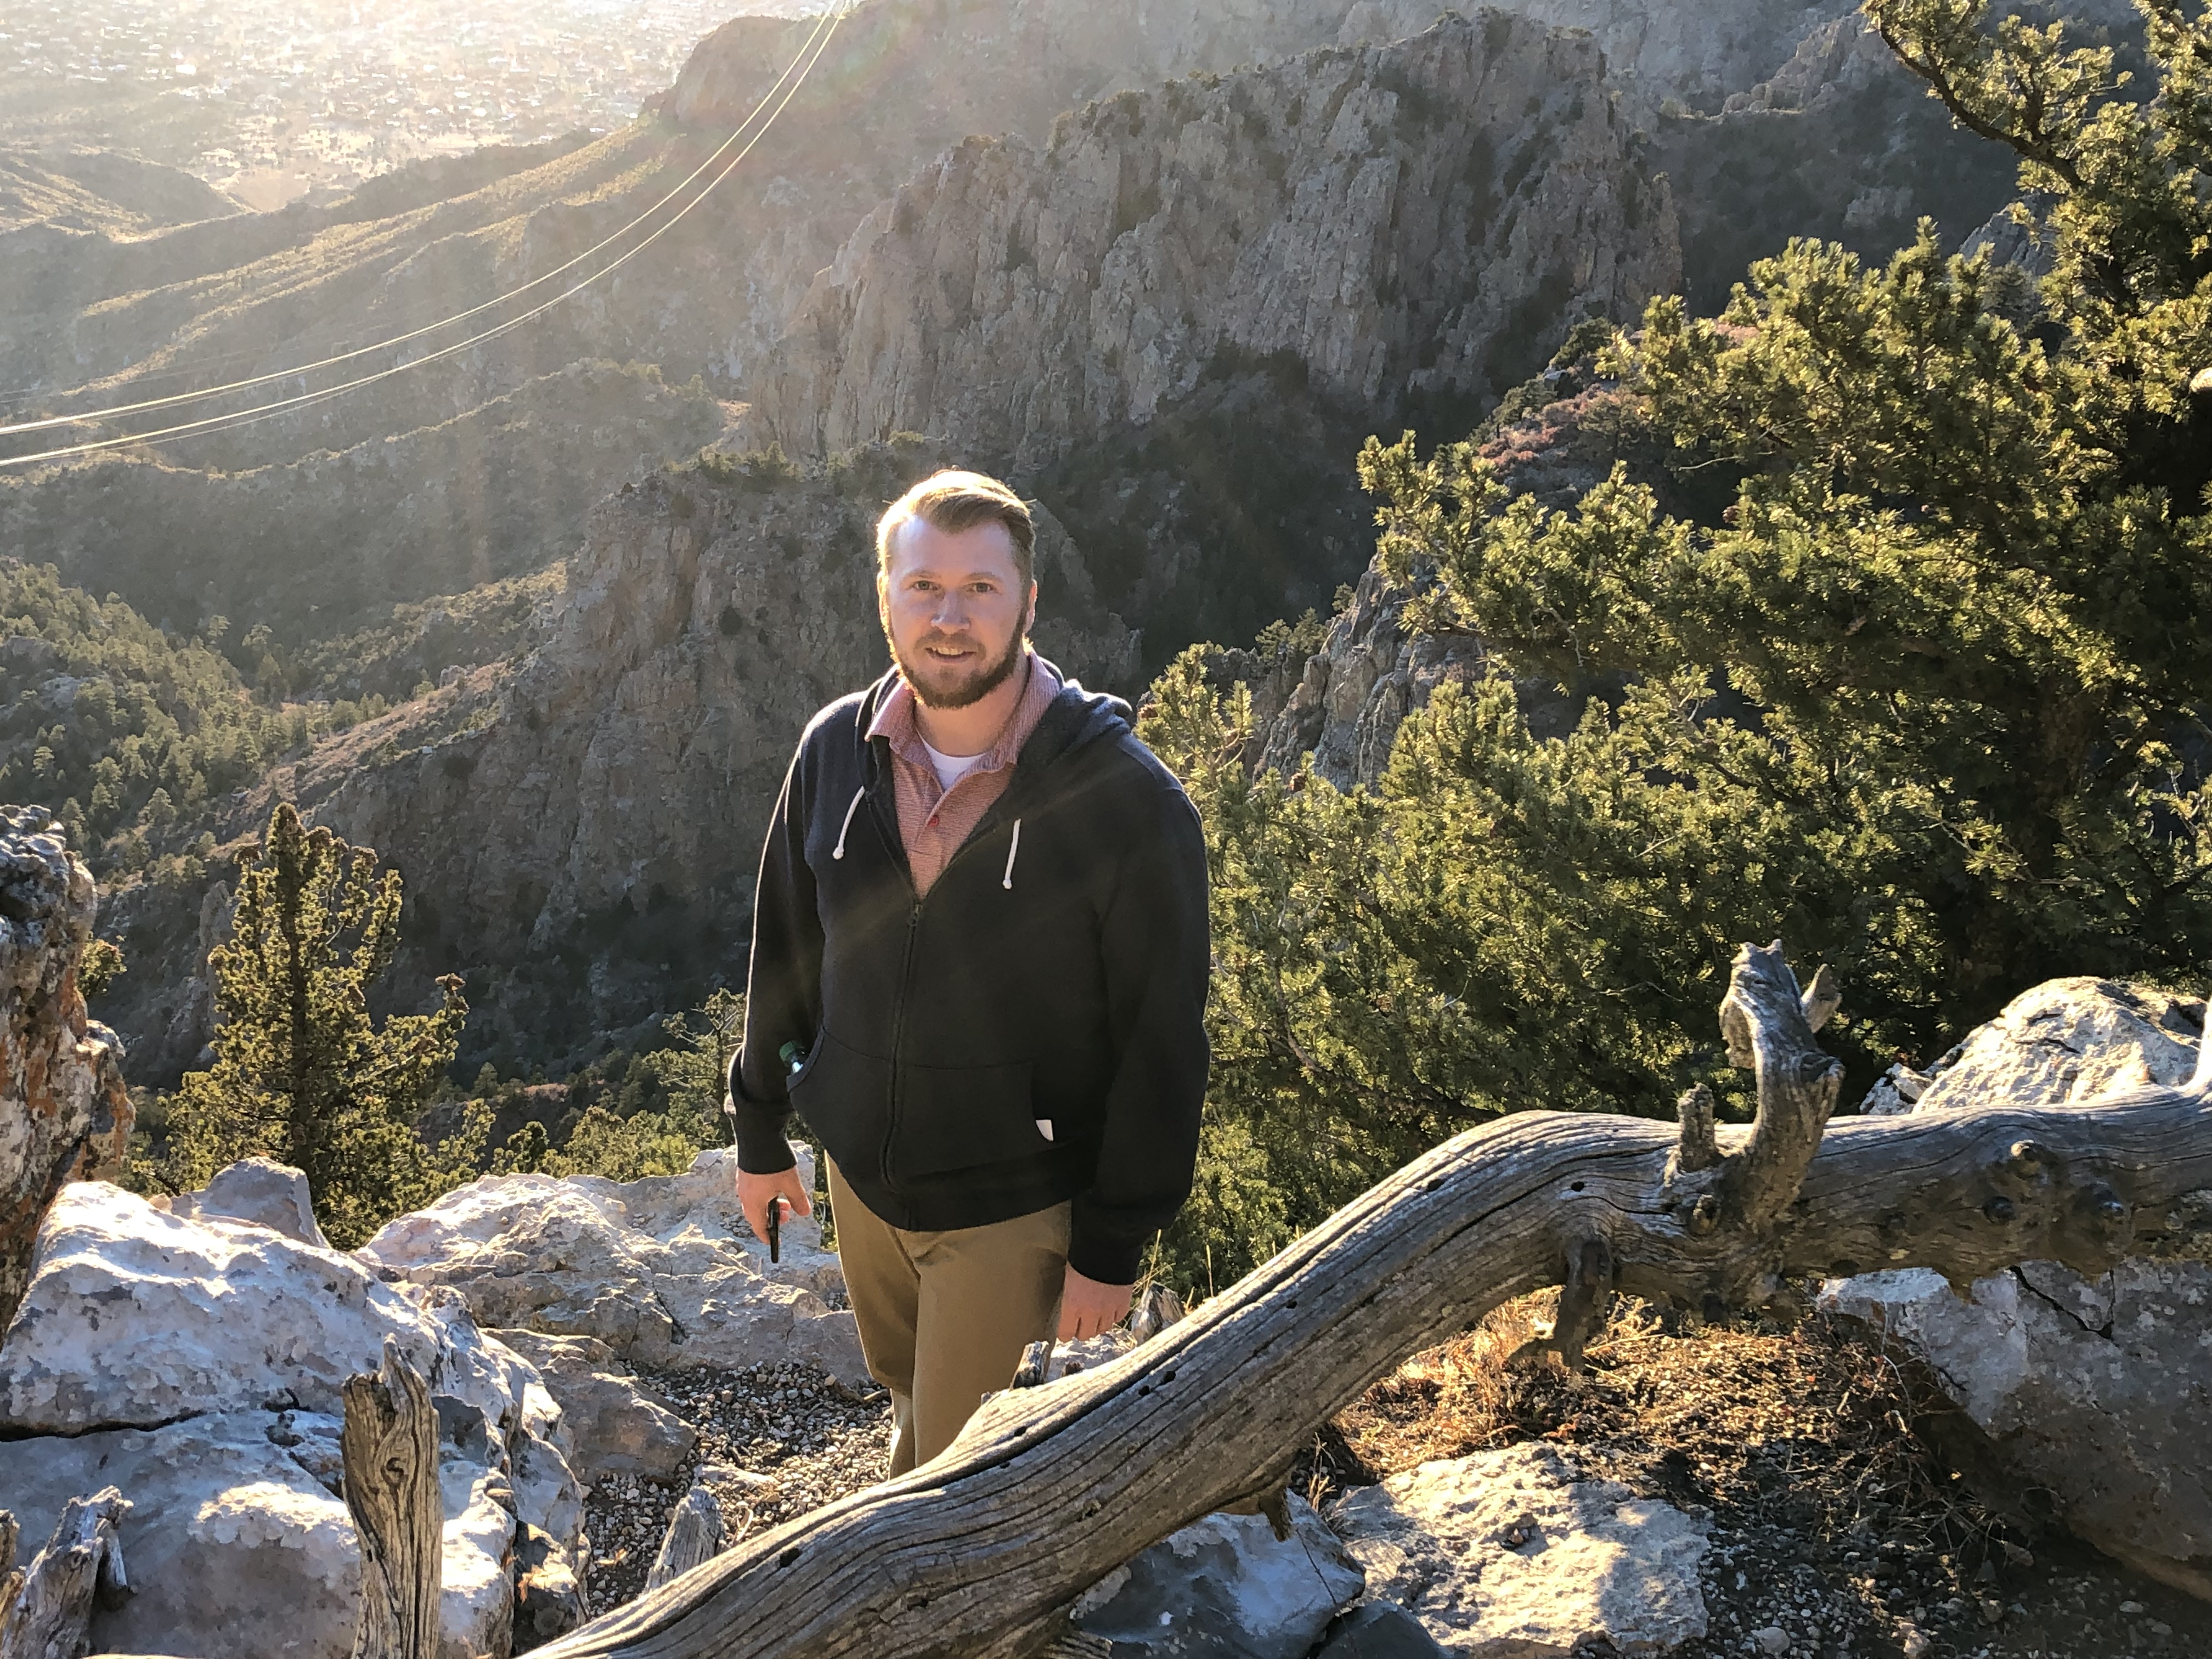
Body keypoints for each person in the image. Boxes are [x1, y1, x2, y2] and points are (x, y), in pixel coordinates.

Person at [727, 467, 1211, 1476]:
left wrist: (1110, 1245)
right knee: (906, 1393)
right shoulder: (834, 753)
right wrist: (763, 1130)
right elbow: (786, 946)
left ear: (1029, 603)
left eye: (981, 589)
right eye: (923, 587)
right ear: (885, 601)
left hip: (1009, 1204)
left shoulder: (1125, 804)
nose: (950, 619)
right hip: (862, 1182)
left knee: (951, 1485)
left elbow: (1161, 1045)